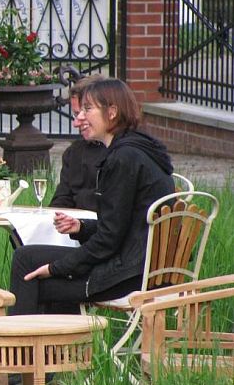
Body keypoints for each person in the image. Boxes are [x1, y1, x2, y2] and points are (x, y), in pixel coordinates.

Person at [9, 78, 175, 315]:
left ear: (112, 113)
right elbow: (120, 225)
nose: (81, 117)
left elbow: (109, 241)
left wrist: (58, 267)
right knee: (31, 260)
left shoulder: (123, 158)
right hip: (146, 266)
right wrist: (81, 227)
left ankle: (21, 350)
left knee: (27, 262)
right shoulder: (139, 150)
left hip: (130, 274)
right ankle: (55, 351)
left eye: (88, 109)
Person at [49, 74, 108, 211]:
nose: (76, 122)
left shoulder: (124, 153)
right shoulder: (74, 152)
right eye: (76, 114)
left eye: (85, 111)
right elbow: (62, 199)